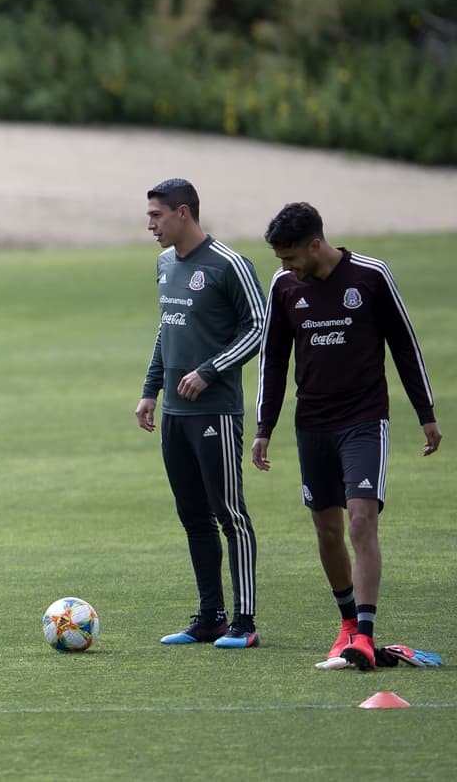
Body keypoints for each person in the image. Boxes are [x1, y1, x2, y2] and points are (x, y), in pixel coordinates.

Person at [251, 202, 441, 670]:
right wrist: (263, 428)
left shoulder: (370, 277)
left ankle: (367, 633)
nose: (285, 266)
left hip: (364, 419)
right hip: (311, 423)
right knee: (327, 528)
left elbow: (405, 345)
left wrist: (426, 414)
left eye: (291, 256)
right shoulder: (283, 287)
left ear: (316, 244)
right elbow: (273, 360)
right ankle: (348, 626)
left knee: (360, 521)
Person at [135, 178, 266, 649]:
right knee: (192, 514)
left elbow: (259, 327)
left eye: (157, 215)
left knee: (229, 513)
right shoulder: (165, 263)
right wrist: (151, 389)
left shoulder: (229, 264)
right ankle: (210, 616)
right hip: (174, 413)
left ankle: (245, 622)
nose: (150, 224)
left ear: (183, 212)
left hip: (216, 412)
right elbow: (166, 328)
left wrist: (210, 371)